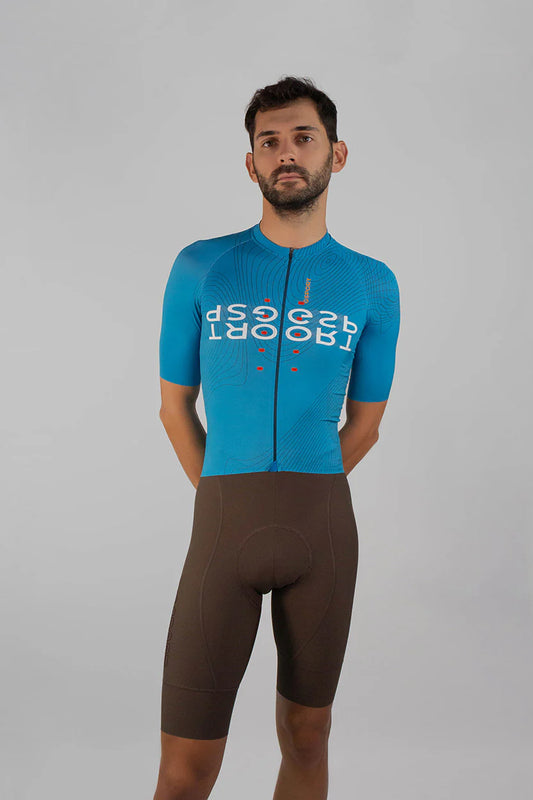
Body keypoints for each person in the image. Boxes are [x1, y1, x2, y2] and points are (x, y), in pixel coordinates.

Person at [153, 76, 401, 800]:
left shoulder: (371, 284)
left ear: (336, 154)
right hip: (222, 530)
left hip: (322, 534)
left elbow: (367, 425)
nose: (285, 153)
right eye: (269, 142)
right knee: (186, 768)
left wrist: (305, 488)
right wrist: (226, 493)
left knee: (308, 736)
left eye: (302, 137)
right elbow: (174, 408)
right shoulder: (201, 266)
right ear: (251, 163)